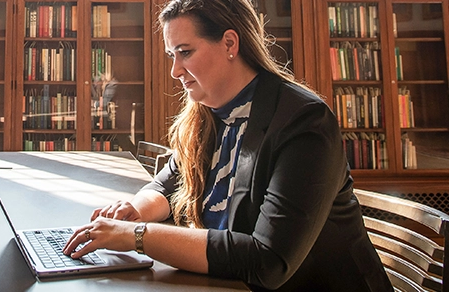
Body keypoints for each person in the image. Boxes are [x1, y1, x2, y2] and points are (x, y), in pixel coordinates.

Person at [63, 0, 393, 290]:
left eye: (185, 52)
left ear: (230, 43)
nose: (175, 70)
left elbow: (268, 260)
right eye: (171, 55)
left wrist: (137, 237)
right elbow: (171, 180)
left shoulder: (304, 121)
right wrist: (135, 210)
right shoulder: (210, 111)